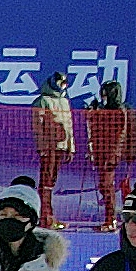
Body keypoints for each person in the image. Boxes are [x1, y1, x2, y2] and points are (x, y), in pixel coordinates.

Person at [88, 79, 135, 229]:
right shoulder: (104, 109)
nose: (103, 96)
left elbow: (119, 135)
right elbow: (95, 128)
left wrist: (113, 155)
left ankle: (111, 219)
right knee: (104, 185)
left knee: (108, 185)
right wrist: (93, 112)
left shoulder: (120, 111)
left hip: (111, 155)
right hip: (101, 152)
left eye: (105, 93)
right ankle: (111, 218)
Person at [32, 73, 76, 226]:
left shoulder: (64, 101)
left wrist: (71, 148)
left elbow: (69, 126)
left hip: (61, 146)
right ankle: (45, 216)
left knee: (52, 181)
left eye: (64, 83)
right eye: (60, 82)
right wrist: (42, 146)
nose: (63, 86)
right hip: (48, 147)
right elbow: (38, 126)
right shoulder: (42, 101)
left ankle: (49, 215)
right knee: (46, 180)